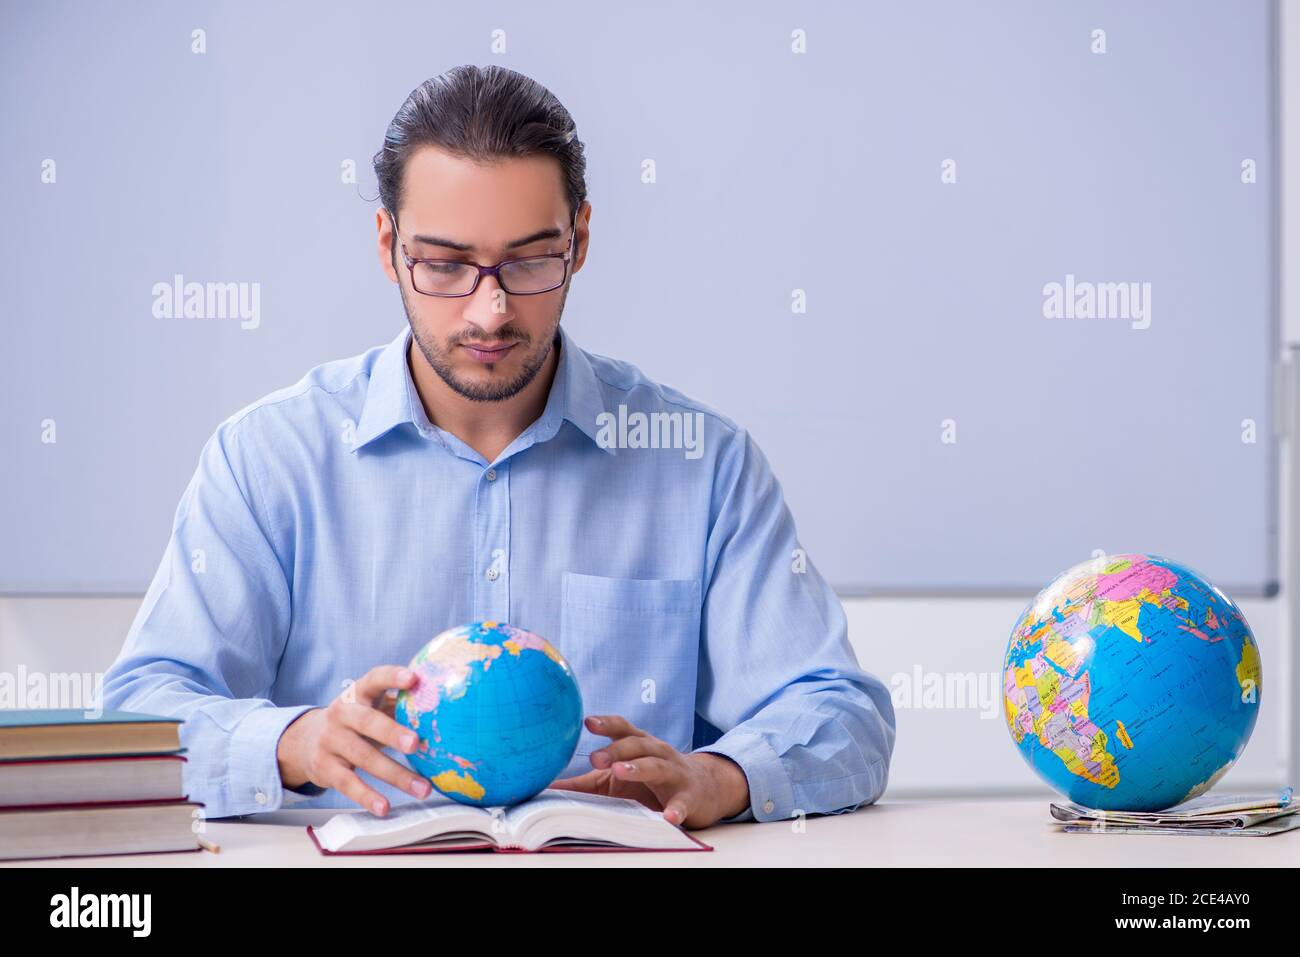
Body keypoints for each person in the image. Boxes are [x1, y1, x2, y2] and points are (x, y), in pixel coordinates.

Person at [100, 64, 896, 829]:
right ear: (388, 247)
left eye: (530, 260)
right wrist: (290, 741)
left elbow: (840, 710)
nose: (490, 309)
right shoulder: (267, 460)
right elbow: (141, 709)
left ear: (580, 240)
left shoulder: (702, 464)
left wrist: (723, 777)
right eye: (445, 264)